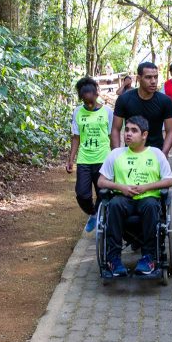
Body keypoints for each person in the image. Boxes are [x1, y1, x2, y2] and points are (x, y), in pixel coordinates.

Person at [97, 116, 172, 278]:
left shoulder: (156, 154)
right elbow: (101, 181)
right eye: (126, 130)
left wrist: (146, 187)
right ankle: (113, 259)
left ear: (144, 135)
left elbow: (169, 180)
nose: (128, 134)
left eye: (134, 131)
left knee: (150, 206)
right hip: (123, 199)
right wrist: (122, 187)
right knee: (114, 204)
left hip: (148, 198)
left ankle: (149, 257)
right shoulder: (116, 154)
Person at [67, 76, 114, 233]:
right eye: (85, 101)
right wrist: (71, 159)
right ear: (81, 98)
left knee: (103, 193)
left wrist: (116, 158)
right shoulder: (77, 112)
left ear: (96, 94)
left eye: (91, 101)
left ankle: (102, 220)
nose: (89, 104)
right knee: (82, 194)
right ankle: (93, 214)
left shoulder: (107, 112)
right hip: (85, 159)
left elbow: (112, 136)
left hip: (103, 159)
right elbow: (76, 137)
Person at [112, 62, 172, 157]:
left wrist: (163, 153)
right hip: (130, 154)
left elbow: (170, 131)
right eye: (148, 77)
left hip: (156, 154)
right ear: (139, 78)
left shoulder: (165, 101)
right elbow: (115, 129)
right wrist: (116, 155)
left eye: (155, 77)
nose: (153, 81)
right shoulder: (124, 99)